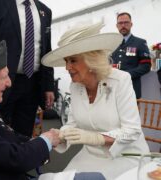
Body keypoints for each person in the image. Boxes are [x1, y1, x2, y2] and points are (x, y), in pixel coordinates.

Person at [0, 41, 105, 180]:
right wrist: (46, 140)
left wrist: (43, 140)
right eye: (4, 76)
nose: (9, 83)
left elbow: (8, 138)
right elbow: (13, 159)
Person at [41, 22, 150, 180]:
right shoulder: (75, 86)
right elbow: (72, 124)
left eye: (73, 60)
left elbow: (132, 131)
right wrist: (60, 134)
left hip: (125, 157)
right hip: (90, 156)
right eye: (66, 61)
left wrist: (97, 138)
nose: (67, 67)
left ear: (91, 59)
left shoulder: (120, 80)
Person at [0, 0, 55, 137]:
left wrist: (49, 85)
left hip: (32, 84)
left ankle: (19, 157)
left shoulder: (44, 10)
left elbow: (46, 50)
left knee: (24, 134)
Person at [111, 12, 151, 99]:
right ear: (116, 25)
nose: (123, 25)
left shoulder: (140, 42)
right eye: (120, 23)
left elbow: (146, 66)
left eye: (126, 22)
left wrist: (127, 75)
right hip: (113, 89)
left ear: (131, 24)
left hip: (131, 89)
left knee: (131, 113)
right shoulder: (112, 44)